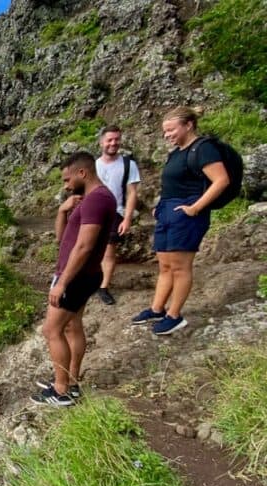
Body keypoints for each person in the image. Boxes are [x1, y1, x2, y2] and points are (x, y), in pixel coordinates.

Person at [131, 106, 229, 335]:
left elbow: (221, 180)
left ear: (188, 125)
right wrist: (160, 206)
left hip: (187, 213)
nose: (167, 135)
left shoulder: (203, 149)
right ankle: (157, 309)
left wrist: (195, 208)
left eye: (171, 130)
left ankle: (174, 316)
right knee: (165, 265)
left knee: (180, 267)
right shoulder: (177, 152)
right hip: (168, 211)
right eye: (165, 132)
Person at [31, 151, 116, 407]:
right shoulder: (91, 200)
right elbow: (62, 239)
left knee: (51, 329)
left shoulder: (97, 200)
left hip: (76, 276)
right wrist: (63, 210)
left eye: (67, 180)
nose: (66, 185)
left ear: (83, 173)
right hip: (83, 275)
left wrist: (62, 283)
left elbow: (84, 247)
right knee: (71, 326)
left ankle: (61, 390)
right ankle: (71, 381)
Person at [95, 125, 141, 305]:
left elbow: (132, 193)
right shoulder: (93, 165)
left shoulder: (129, 164)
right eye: (109, 140)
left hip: (115, 212)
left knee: (108, 251)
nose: (113, 143)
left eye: (116, 139)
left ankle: (104, 287)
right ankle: (90, 282)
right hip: (94, 211)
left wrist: (128, 218)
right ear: (101, 143)